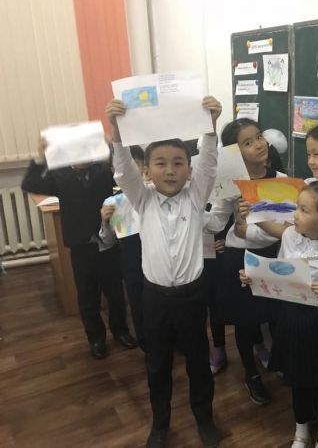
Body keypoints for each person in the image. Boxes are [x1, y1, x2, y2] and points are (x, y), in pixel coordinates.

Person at [107, 96, 222, 448]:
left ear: (189, 170)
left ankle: (204, 418)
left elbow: (209, 163)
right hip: (154, 299)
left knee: (198, 363)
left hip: (191, 297)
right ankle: (160, 424)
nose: (170, 170)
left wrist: (211, 125)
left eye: (178, 163)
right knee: (157, 365)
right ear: (147, 171)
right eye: (160, 163)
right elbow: (123, 172)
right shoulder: (142, 200)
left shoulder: (195, 196)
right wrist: (117, 133)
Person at [240, 181, 318, 448]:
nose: (294, 215)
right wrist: (254, 277)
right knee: (297, 380)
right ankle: (301, 430)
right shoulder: (290, 236)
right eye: (297, 207)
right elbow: (279, 272)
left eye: (303, 210)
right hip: (290, 318)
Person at [22, 138, 137, 359]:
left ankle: (121, 331)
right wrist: (42, 158)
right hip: (81, 245)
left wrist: (111, 147)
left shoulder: (102, 170)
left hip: (108, 242)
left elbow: (123, 174)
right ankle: (96, 338)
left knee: (115, 293)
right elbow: (32, 185)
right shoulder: (60, 175)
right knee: (87, 296)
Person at [204, 118, 285, 406]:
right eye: (248, 143)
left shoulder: (282, 180)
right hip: (240, 256)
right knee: (244, 319)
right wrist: (192, 207)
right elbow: (216, 222)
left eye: (259, 137)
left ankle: (278, 360)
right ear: (234, 153)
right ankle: (251, 374)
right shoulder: (230, 183)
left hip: (273, 254)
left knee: (275, 314)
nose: (259, 145)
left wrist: (254, 220)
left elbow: (288, 228)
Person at [99, 145, 146, 350]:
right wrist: (104, 221)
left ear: (144, 167)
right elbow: (108, 241)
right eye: (121, 168)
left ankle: (171, 340)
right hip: (132, 264)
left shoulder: (155, 194)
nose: (127, 172)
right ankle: (146, 344)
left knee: (163, 304)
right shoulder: (112, 202)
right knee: (137, 304)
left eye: (134, 166)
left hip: (159, 260)